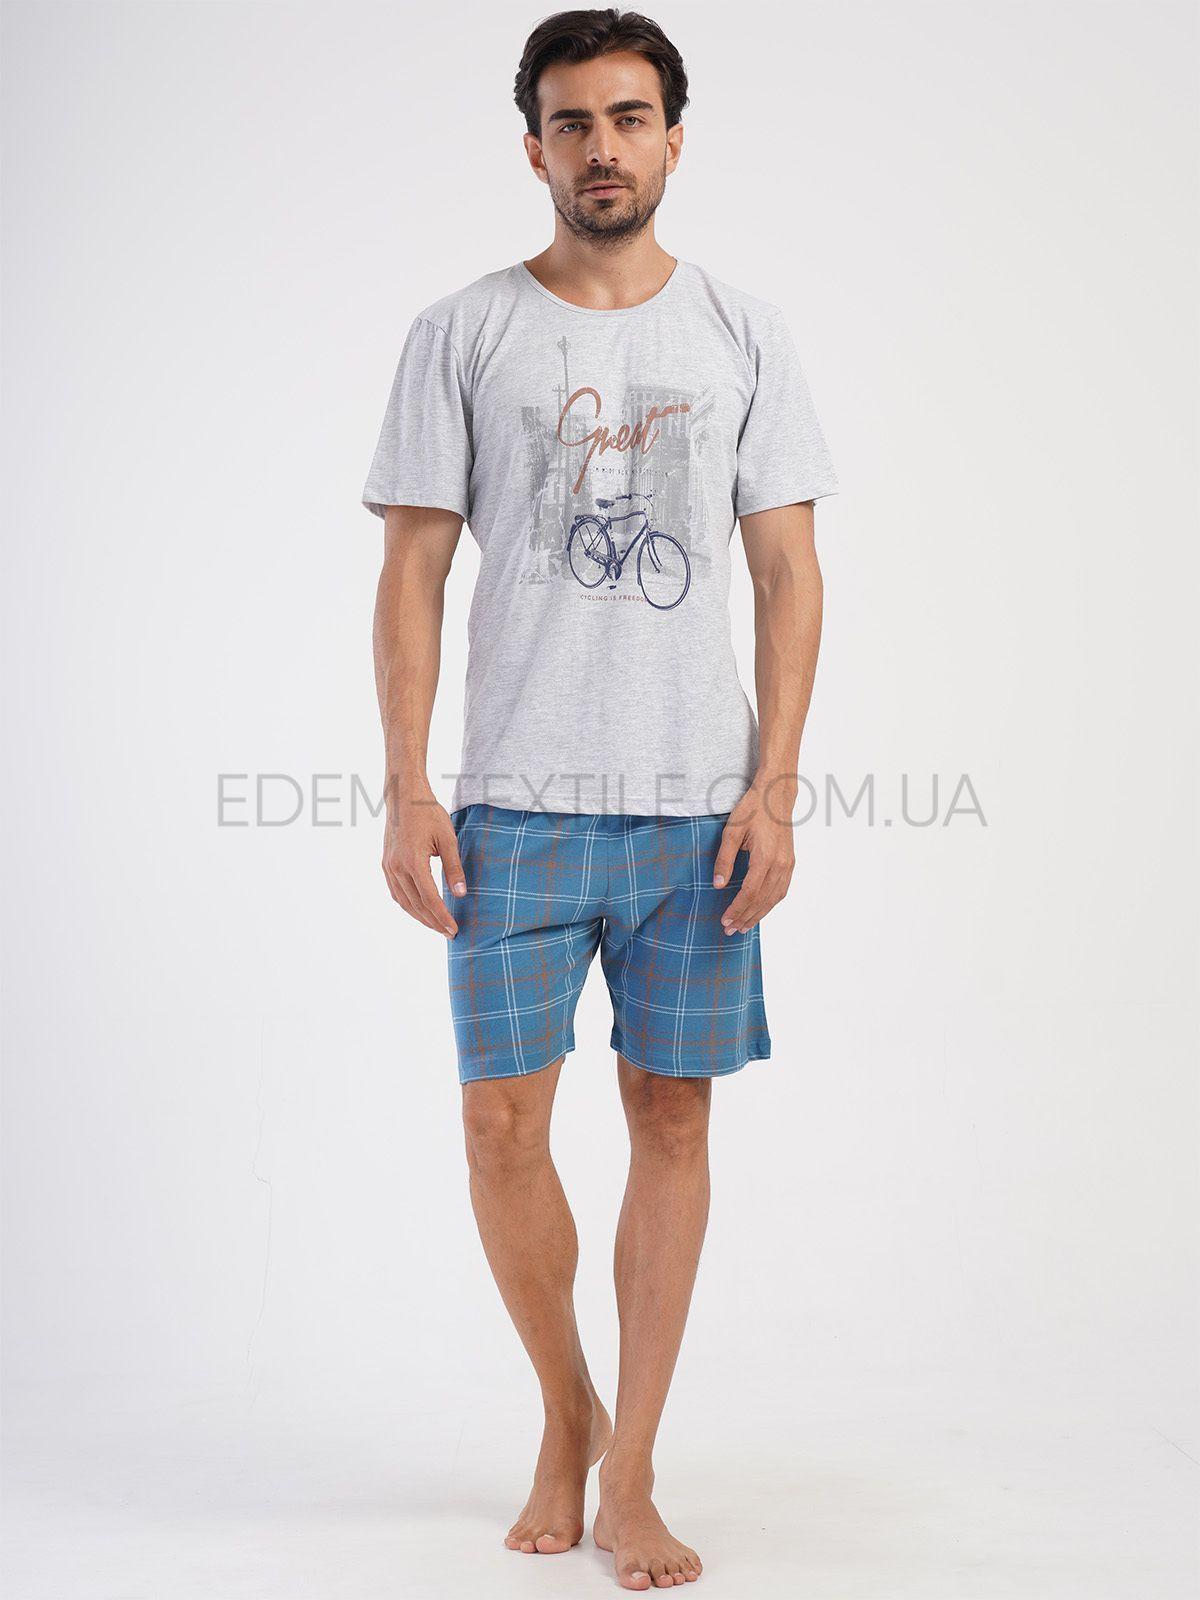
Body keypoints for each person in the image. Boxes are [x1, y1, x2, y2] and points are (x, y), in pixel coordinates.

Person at [362, 9, 838, 1590]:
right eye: (573, 123)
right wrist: (406, 785)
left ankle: (629, 1469)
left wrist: (775, 788)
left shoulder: (744, 332)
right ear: (535, 149)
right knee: (499, 1125)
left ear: (674, 139)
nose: (604, 147)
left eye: (630, 117)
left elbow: (790, 572)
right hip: (510, 803)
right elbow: (413, 573)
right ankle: (567, 1407)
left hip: (697, 811)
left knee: (671, 1118)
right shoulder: (463, 332)